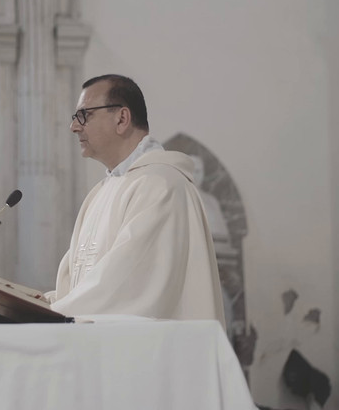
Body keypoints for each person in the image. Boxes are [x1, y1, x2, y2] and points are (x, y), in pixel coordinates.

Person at [45, 74, 226, 328]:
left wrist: (46, 315)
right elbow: (75, 287)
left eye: (84, 115)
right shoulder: (100, 193)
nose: (74, 126)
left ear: (122, 119)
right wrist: (29, 303)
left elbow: (124, 284)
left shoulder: (161, 186)